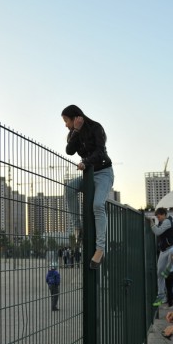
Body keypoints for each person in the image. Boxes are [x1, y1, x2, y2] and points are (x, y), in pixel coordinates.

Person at [61, 105, 114, 270]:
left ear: (76, 117)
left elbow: (100, 152)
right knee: (69, 188)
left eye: (66, 121)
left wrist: (86, 162)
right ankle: (78, 228)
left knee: (98, 205)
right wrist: (76, 131)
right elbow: (69, 151)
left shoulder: (96, 128)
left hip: (103, 173)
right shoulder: (74, 134)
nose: (66, 125)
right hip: (88, 175)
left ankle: (100, 249)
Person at [151, 207, 173, 307]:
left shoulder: (167, 221)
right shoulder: (161, 223)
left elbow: (157, 232)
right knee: (159, 273)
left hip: (172, 247)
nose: (158, 218)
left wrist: (152, 224)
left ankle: (169, 269)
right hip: (164, 250)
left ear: (164, 214)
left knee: (172, 254)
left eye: (159, 216)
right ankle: (161, 295)